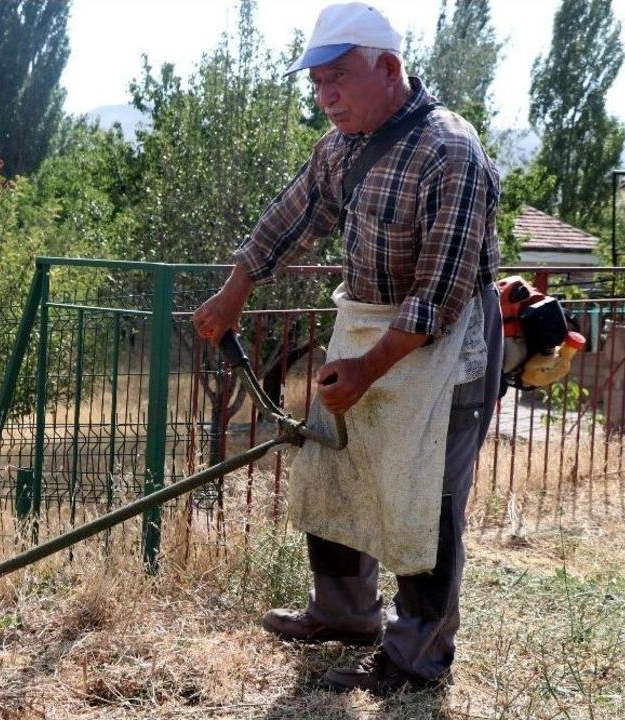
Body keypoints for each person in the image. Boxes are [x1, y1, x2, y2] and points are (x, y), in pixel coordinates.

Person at [191, 2, 503, 697]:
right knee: (336, 465)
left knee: (426, 496)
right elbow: (292, 213)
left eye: (339, 79)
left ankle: (415, 660)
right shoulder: (340, 148)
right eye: (317, 84)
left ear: (389, 69)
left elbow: (442, 293)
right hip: (365, 326)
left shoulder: (450, 150)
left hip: (450, 344)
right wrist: (237, 286)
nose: (326, 97)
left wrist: (366, 369)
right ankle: (342, 613)